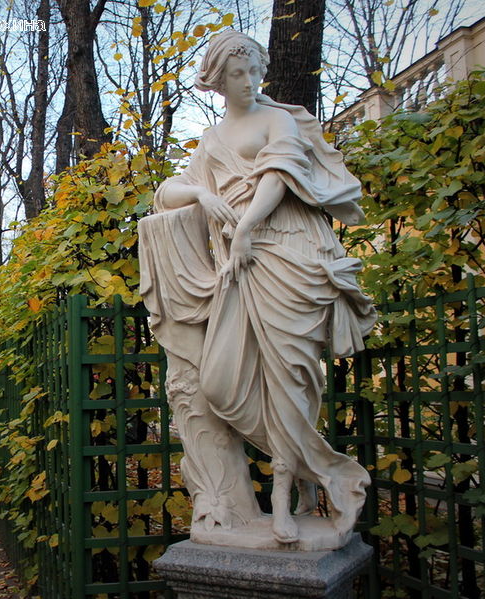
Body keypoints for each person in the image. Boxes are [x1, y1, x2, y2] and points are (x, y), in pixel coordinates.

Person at [138, 30, 377, 547]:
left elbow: (280, 175)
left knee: (287, 378)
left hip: (287, 252)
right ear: (218, 79)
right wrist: (202, 193)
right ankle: (322, 472)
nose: (249, 81)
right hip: (238, 268)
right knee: (223, 384)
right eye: (237, 74)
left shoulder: (278, 119)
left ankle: (286, 501)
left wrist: (245, 230)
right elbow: (167, 193)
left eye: (254, 71)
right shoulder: (212, 139)